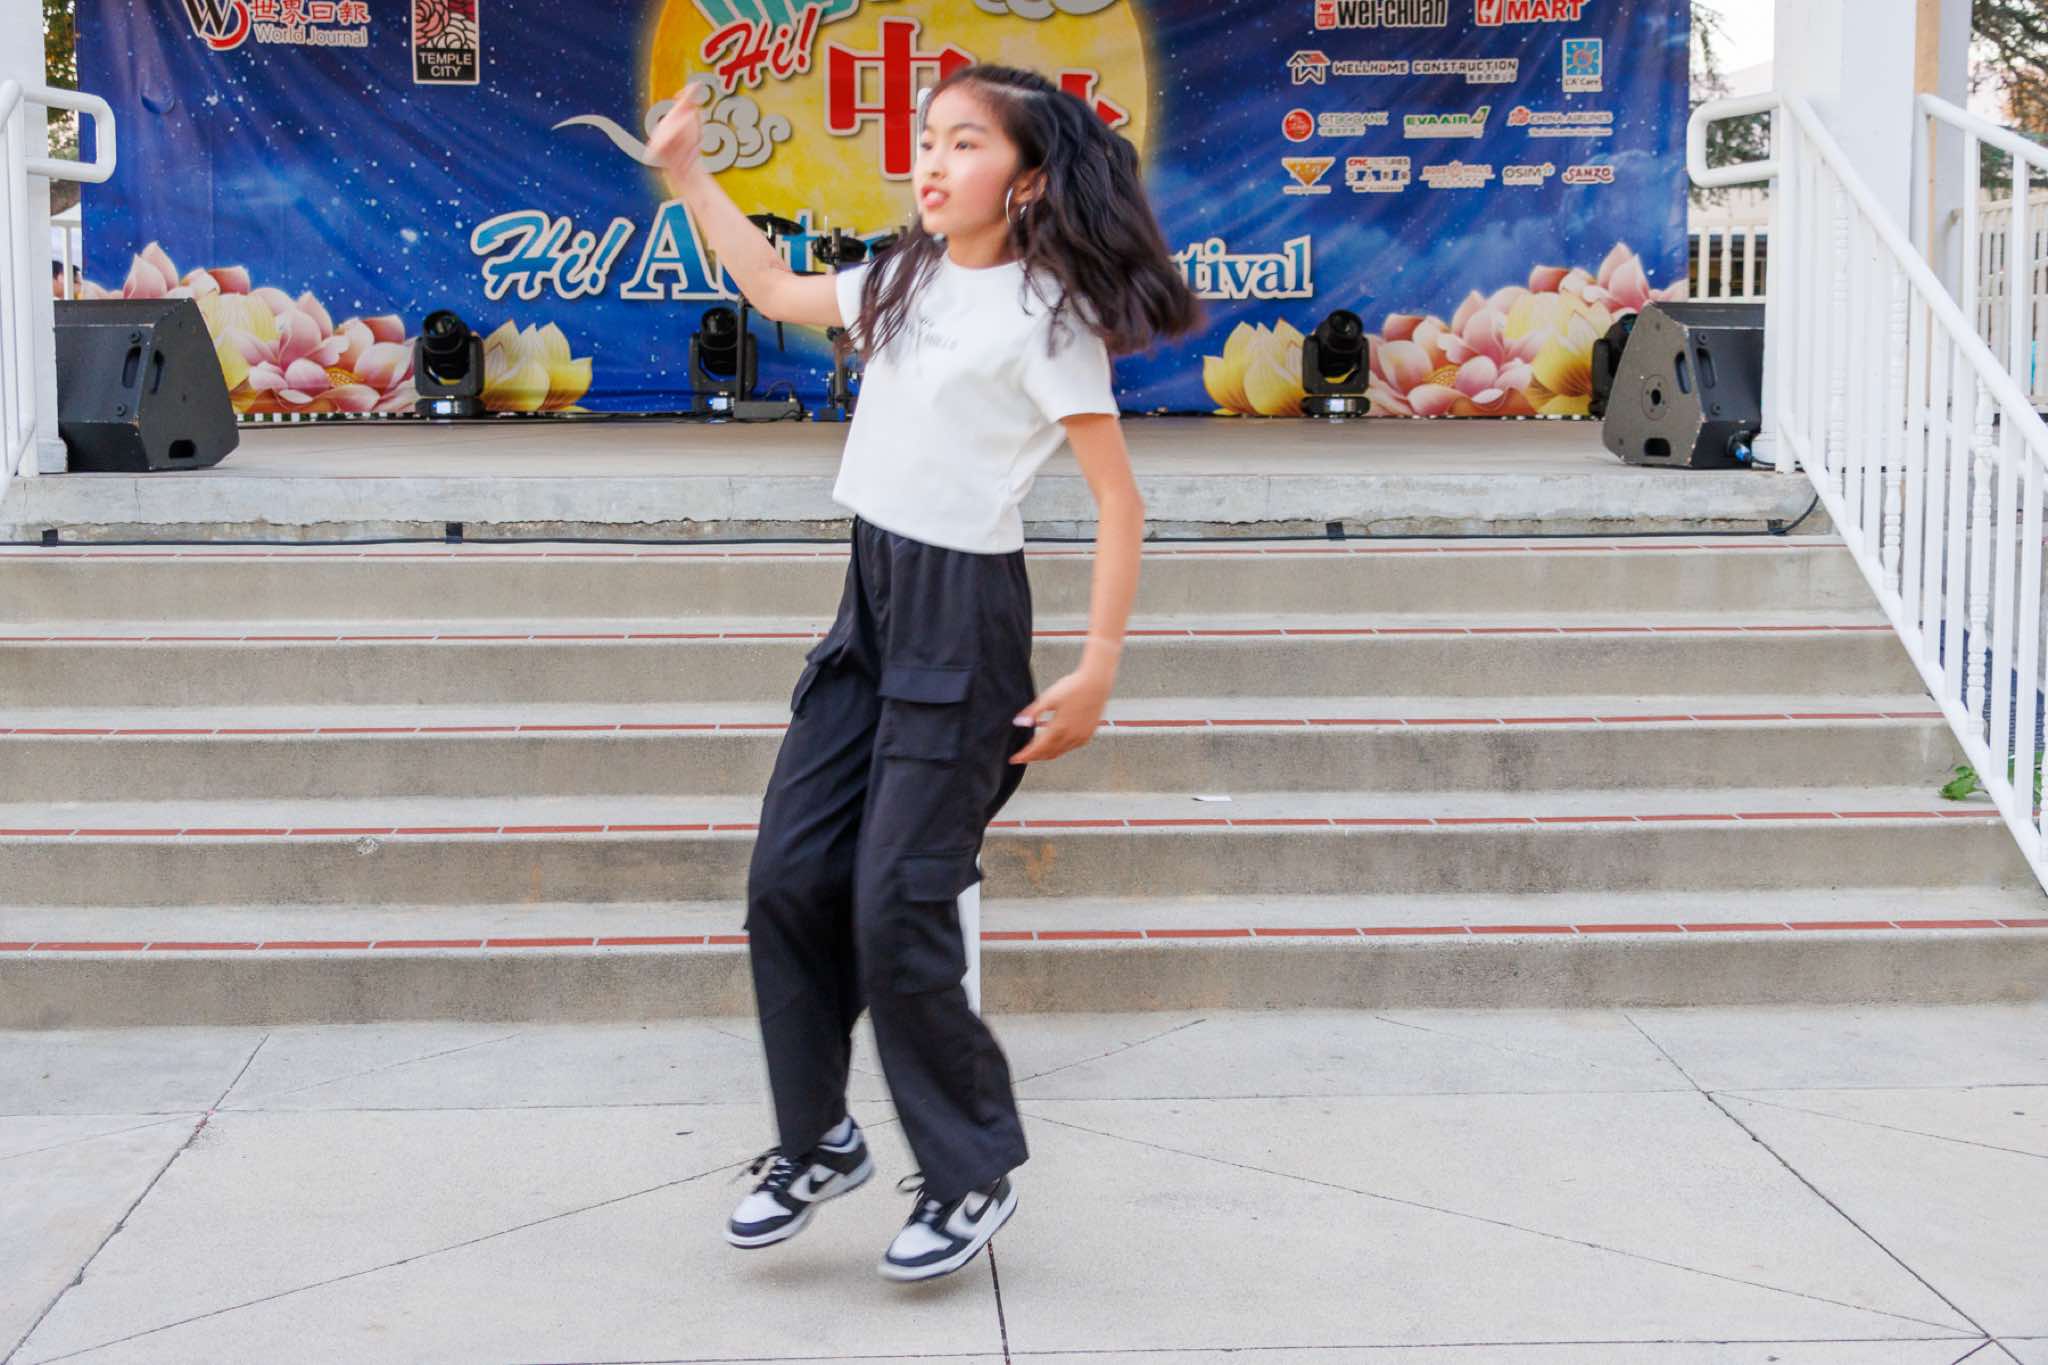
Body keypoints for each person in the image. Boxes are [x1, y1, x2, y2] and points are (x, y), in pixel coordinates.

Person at [648, 63, 1200, 1283]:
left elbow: (1118, 501)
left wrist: (1098, 664)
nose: (933, 163)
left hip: (964, 617)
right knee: (787, 878)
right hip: (870, 604)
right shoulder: (900, 275)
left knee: (896, 898)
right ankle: (817, 1142)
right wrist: (689, 174)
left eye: (964, 143)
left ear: (1028, 178)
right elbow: (773, 286)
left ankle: (967, 1173)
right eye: (926, 139)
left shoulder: (1048, 317)